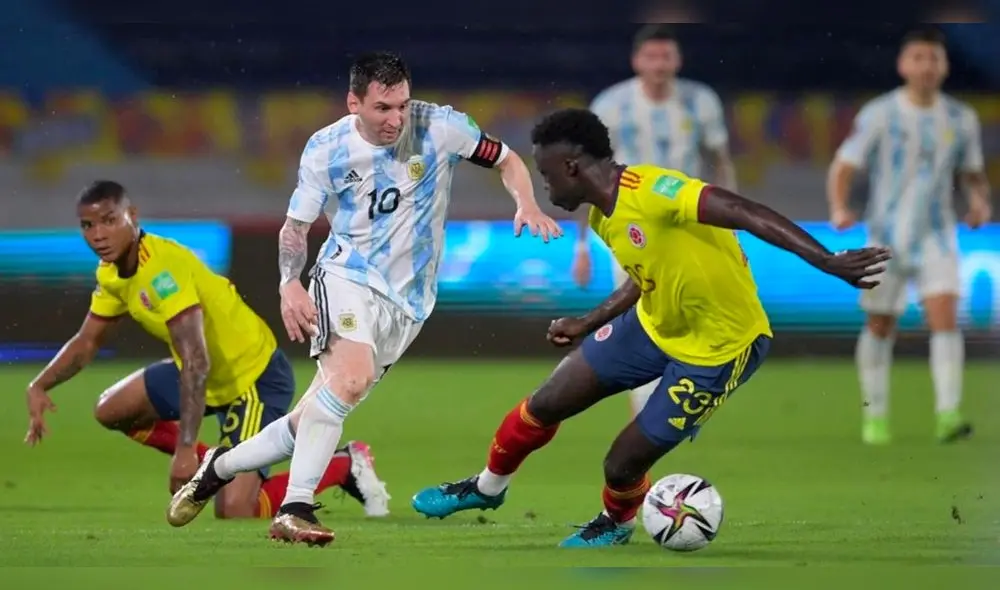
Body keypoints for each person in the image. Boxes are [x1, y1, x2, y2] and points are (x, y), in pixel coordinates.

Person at [411, 108, 891, 547]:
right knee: (545, 403)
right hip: (652, 326)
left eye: (546, 174)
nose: (546, 187)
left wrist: (825, 260)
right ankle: (487, 486)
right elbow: (646, 278)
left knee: (621, 464)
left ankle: (617, 522)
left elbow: (744, 211)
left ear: (572, 166)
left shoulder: (655, 191)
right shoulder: (604, 216)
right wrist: (588, 322)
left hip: (718, 349)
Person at [167, 51, 561, 546]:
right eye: (382, 108)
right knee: (349, 382)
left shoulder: (441, 127)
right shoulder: (326, 148)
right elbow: (296, 227)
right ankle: (294, 509)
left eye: (402, 105)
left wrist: (526, 203)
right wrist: (290, 282)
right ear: (354, 103)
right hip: (346, 275)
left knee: (312, 418)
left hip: (410, 303)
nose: (396, 118)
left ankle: (218, 467)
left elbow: (505, 159)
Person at [24, 180, 388, 522]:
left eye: (108, 220)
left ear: (131, 216)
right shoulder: (111, 272)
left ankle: (344, 465)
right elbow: (87, 342)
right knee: (111, 409)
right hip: (203, 373)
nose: (98, 234)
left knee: (236, 508)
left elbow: (196, 360)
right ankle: (214, 464)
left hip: (251, 378)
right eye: (88, 225)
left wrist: (185, 450)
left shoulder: (161, 270)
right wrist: (39, 386)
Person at [827, 27, 991, 445]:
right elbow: (844, 165)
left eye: (933, 58)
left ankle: (948, 414)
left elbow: (972, 172)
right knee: (880, 323)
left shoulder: (961, 118)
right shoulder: (880, 113)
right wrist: (840, 207)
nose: (926, 66)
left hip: (937, 235)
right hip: (885, 236)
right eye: (918, 58)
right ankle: (876, 418)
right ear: (903, 65)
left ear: (945, 66)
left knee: (945, 317)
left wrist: (979, 202)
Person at [572, 24, 737, 416]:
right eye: (651, 56)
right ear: (637, 61)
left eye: (666, 56)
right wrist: (581, 245)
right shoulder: (611, 105)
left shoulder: (701, 102)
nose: (659, 64)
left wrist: (730, 219)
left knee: (690, 318)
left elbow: (720, 162)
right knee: (641, 320)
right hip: (630, 228)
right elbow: (587, 175)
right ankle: (645, 413)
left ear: (678, 60)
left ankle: (673, 403)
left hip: (688, 226)